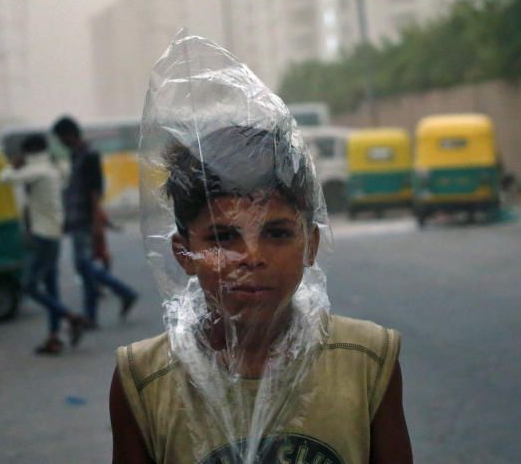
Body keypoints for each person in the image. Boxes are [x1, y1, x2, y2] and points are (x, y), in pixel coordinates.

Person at [108, 35, 412, 464]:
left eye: (277, 233)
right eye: (222, 237)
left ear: (311, 244)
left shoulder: (367, 359)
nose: (251, 256)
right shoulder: (144, 378)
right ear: (183, 253)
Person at [0, 133, 87, 355]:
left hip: (42, 237)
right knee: (50, 287)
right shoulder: (53, 169)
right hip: (52, 235)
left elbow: (4, 178)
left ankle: (71, 317)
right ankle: (54, 337)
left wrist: (13, 165)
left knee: (28, 285)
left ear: (29, 152)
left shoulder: (37, 170)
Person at [51, 116, 138, 328]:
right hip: (76, 219)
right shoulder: (75, 155)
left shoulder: (89, 155)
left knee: (84, 265)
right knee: (84, 267)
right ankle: (92, 315)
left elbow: (94, 193)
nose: (61, 142)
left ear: (69, 134)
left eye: (61, 138)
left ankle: (124, 293)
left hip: (86, 219)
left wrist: (97, 222)